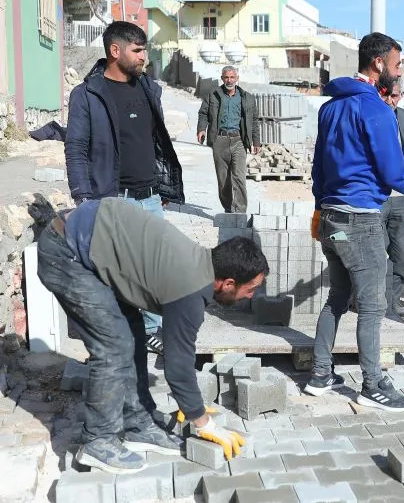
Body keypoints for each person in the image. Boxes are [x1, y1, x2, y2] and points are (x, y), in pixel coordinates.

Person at [35, 198, 267, 473]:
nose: (250, 297)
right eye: (250, 289)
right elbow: (178, 366)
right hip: (66, 252)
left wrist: (190, 405)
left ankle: (138, 424)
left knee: (132, 334)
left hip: (91, 243)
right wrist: (202, 420)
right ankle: (98, 440)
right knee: (113, 347)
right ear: (228, 283)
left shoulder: (199, 264)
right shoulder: (189, 290)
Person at [306, 32, 404, 411]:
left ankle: (320, 374)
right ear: (378, 64)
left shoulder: (330, 108)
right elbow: (394, 173)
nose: (399, 73)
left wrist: (318, 209)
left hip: (331, 217)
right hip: (360, 220)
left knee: (337, 296)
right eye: (397, 65)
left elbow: (319, 168)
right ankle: (373, 383)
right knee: (374, 305)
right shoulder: (376, 110)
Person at [65, 21, 185, 357]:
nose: (144, 57)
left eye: (144, 49)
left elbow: (154, 141)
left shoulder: (148, 88)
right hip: (113, 197)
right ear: (115, 51)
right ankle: (130, 334)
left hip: (150, 197)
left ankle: (147, 328)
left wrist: (162, 186)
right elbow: (75, 147)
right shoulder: (88, 95)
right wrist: (83, 198)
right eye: (137, 50)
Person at [197, 66, 261, 213]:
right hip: (220, 140)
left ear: (237, 78)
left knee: (239, 177)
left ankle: (240, 211)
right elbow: (203, 113)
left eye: (232, 77)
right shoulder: (213, 95)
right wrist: (201, 129)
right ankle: (228, 209)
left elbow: (254, 121)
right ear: (222, 78)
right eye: (226, 77)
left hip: (239, 141)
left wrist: (256, 141)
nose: (229, 80)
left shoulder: (247, 98)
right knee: (223, 179)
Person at [379, 80, 404, 320]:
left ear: (400, 95)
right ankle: (379, 301)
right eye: (386, 96)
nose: (390, 101)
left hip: (401, 194)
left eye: (394, 96)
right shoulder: (372, 115)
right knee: (378, 251)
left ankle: (395, 299)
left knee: (401, 253)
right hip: (378, 195)